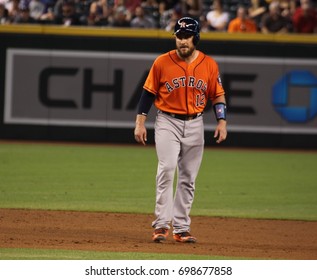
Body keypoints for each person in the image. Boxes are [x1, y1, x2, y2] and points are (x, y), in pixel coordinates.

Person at [134, 17, 227, 243]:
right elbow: (147, 93)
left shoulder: (209, 64)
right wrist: (140, 122)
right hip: (168, 121)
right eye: (179, 36)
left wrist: (222, 121)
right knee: (166, 170)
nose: (182, 41)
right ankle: (161, 225)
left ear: (195, 38)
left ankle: (182, 228)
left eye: (186, 37)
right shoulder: (162, 62)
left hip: (196, 123)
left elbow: (217, 95)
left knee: (188, 178)